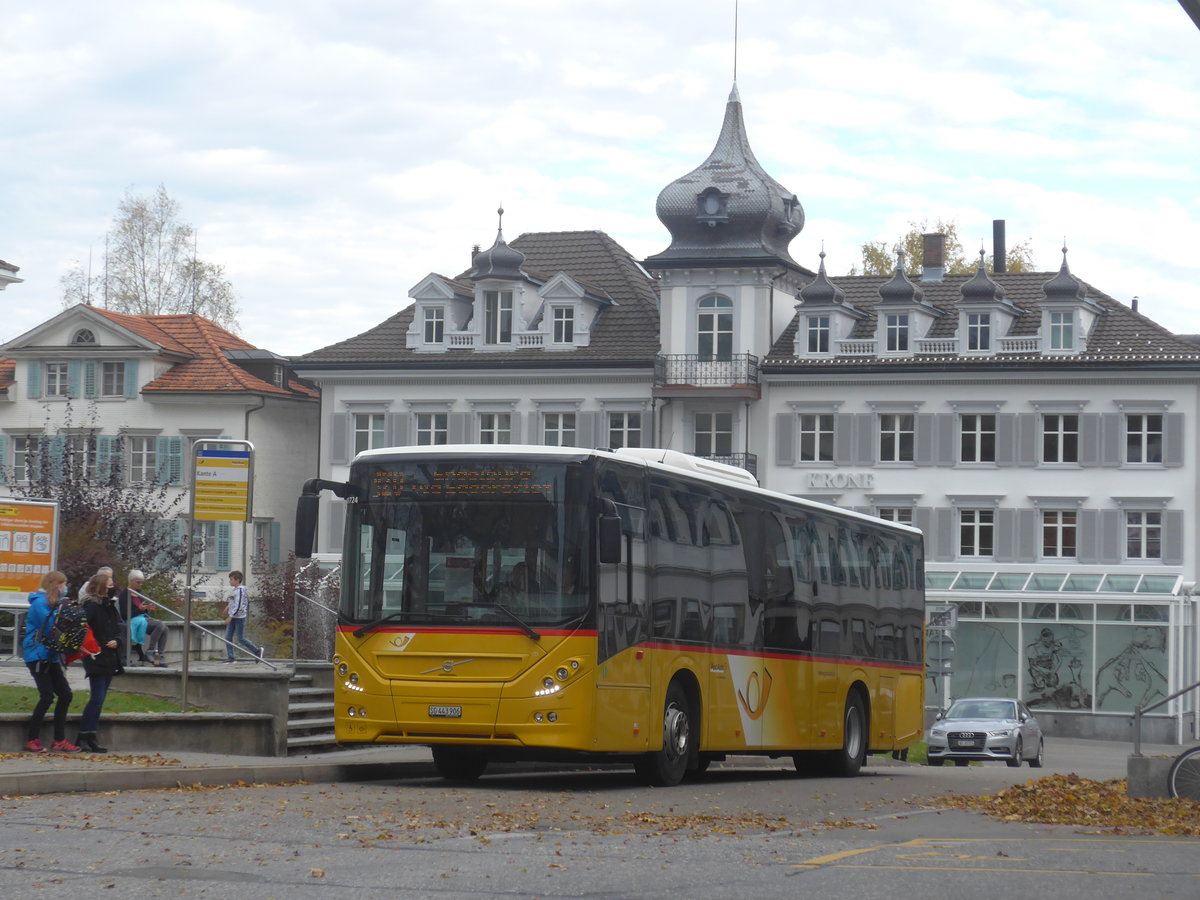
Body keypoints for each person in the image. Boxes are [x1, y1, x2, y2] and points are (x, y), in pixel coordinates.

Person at [23, 571, 81, 753]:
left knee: (65, 694)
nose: (65, 588)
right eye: (63, 584)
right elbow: (52, 627)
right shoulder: (41, 604)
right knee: (47, 696)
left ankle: (59, 740)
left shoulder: (51, 603)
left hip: (49, 655)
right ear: (55, 585)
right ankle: (32, 739)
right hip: (37, 654)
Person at [78, 570, 123, 753]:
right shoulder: (92, 606)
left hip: (109, 656)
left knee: (100, 699)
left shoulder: (109, 606)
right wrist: (94, 645)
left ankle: (91, 735)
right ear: (101, 586)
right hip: (96, 656)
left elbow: (118, 627)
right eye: (109, 582)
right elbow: (83, 629)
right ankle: (83, 735)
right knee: (96, 698)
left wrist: (118, 641)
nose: (112, 584)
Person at [119, 569, 169, 667]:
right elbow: (125, 615)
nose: (140, 585)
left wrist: (147, 608)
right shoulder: (125, 595)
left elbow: (142, 609)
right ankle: (150, 652)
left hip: (142, 619)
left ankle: (159, 656)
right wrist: (140, 610)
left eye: (142, 583)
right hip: (132, 621)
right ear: (131, 581)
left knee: (165, 628)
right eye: (138, 582)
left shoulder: (139, 593)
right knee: (160, 625)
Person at [224, 571, 263, 663]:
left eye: (231, 579)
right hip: (233, 616)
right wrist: (227, 607)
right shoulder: (235, 590)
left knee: (241, 638)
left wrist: (230, 616)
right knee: (228, 637)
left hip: (239, 617)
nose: (230, 581)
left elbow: (239, 605)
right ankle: (231, 657)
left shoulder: (241, 590)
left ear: (237, 580)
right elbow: (233, 601)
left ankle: (257, 650)